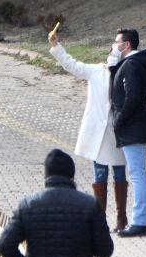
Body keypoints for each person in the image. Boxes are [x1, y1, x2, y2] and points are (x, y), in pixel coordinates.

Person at [48, 25, 129, 232]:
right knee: (99, 173)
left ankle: (121, 218)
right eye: (112, 50)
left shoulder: (128, 70)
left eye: (117, 48)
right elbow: (72, 65)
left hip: (117, 130)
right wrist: (56, 46)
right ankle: (100, 219)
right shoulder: (97, 71)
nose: (113, 52)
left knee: (120, 174)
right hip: (98, 132)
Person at [110, 28, 146, 238]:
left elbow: (132, 98)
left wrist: (118, 121)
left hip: (133, 126)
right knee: (138, 173)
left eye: (117, 42)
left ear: (127, 45)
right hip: (134, 125)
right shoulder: (131, 64)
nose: (114, 45)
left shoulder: (131, 65)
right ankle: (145, 219)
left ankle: (140, 221)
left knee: (137, 175)